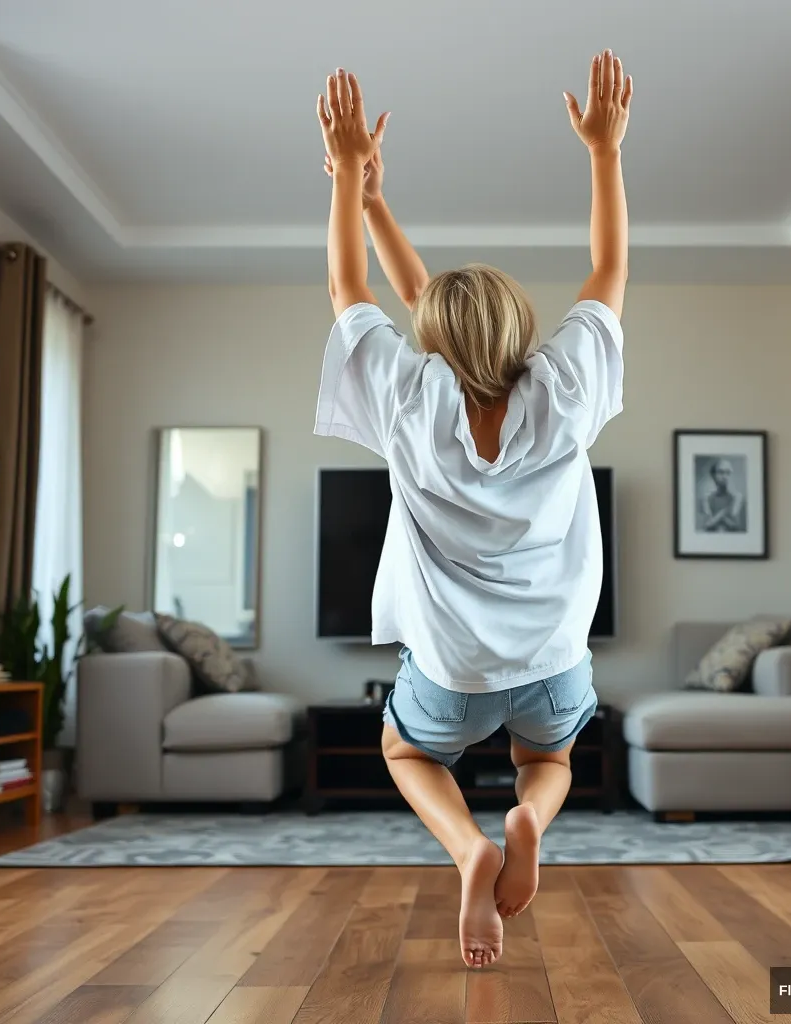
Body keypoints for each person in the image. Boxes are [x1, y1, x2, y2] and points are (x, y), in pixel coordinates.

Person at [314, 51, 631, 969]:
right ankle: (526, 818)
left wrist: (347, 181)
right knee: (553, 761)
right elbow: (608, 263)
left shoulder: (412, 407)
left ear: (434, 352)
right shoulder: (567, 389)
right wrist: (604, 150)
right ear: (523, 331)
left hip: (449, 672)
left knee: (407, 755)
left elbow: (355, 295)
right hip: (553, 659)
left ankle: (469, 848)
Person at [699, 458, 746, 532]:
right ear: (713, 475)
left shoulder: (737, 497)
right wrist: (724, 513)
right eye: (721, 472)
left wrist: (716, 518)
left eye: (728, 473)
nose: (725, 477)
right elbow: (706, 525)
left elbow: (736, 526)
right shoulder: (707, 498)